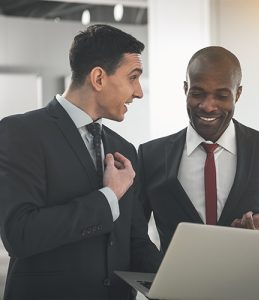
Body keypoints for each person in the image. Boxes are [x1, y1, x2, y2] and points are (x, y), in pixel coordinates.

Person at [0, 24, 162, 300]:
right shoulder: (20, 133)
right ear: (98, 78)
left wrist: (184, 278)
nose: (138, 92)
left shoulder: (124, 150)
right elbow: (19, 234)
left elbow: (134, 242)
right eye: (133, 77)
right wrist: (108, 197)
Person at [138, 46, 259, 300]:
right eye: (197, 93)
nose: (208, 106)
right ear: (185, 89)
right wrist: (160, 274)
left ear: (238, 93)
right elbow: (133, 234)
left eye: (221, 96)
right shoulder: (151, 155)